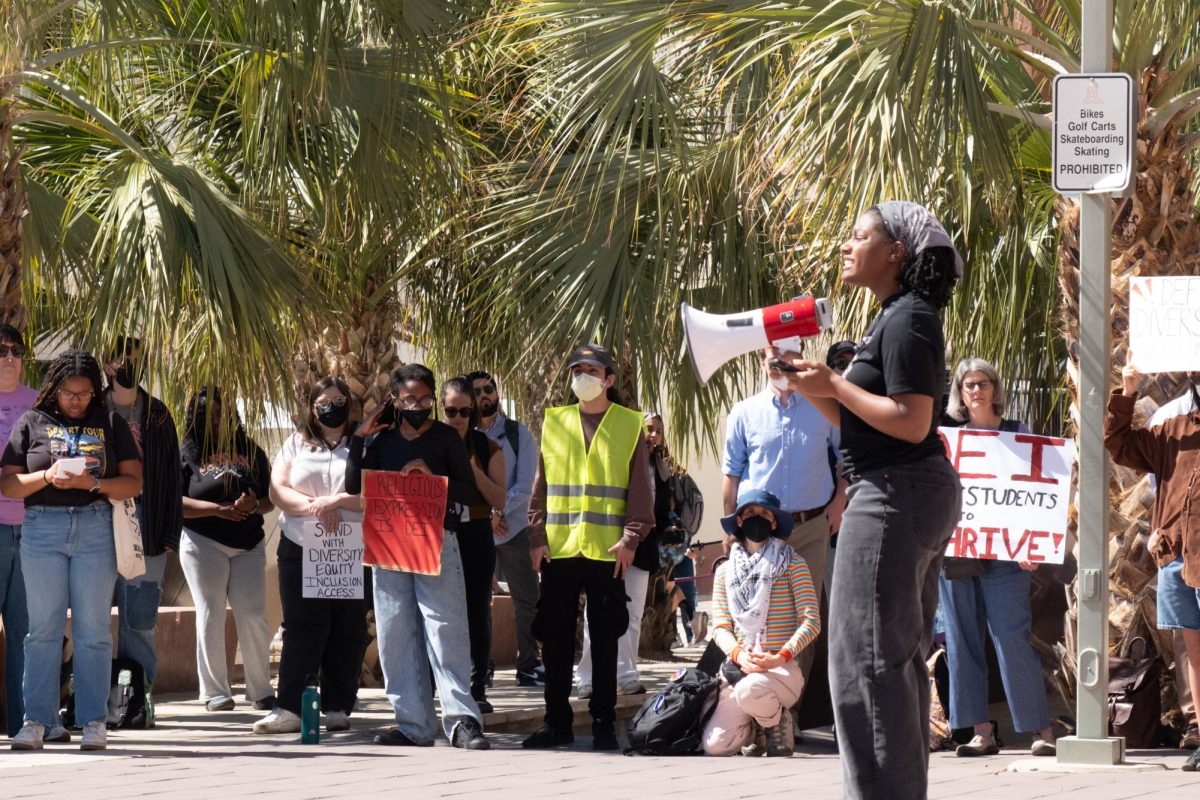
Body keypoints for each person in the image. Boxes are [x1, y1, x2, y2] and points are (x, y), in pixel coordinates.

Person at [786, 201, 963, 799]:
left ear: (895, 254)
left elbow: (912, 422)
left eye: (859, 236)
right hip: (900, 491)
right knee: (891, 659)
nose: (846, 245)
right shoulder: (898, 316)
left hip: (892, 495)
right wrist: (808, 385)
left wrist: (832, 381)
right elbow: (859, 422)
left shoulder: (909, 317)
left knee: (864, 660)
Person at [2, 349, 142, 751]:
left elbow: (133, 482)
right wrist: (46, 474)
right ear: (54, 388)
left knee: (93, 629)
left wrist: (92, 485)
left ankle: (93, 721)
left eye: (83, 393)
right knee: (41, 630)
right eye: (68, 392)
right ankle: (36, 721)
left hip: (96, 527)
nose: (76, 400)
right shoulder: (33, 422)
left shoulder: (110, 422)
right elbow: (8, 485)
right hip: (41, 528)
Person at [346, 364, 490, 750]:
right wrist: (359, 439)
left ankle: (462, 721)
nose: (418, 405)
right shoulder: (381, 441)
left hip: (435, 541)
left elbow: (469, 493)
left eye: (426, 399)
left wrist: (432, 479)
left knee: (445, 629)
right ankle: (412, 723)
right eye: (409, 399)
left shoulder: (445, 438)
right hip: (389, 545)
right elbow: (352, 485)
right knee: (395, 632)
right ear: (394, 400)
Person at [521, 343, 654, 751]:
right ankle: (555, 723)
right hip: (559, 550)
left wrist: (631, 539)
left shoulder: (630, 424)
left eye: (592, 371)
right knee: (556, 639)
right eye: (577, 369)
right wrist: (536, 537)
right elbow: (540, 486)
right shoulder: (555, 421)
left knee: (606, 638)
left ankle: (601, 724)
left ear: (609, 379)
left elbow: (639, 492)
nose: (583, 377)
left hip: (608, 550)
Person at [939, 357, 1055, 757]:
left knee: (1011, 638)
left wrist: (1033, 544)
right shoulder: (947, 441)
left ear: (995, 388)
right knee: (962, 642)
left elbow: (1036, 495)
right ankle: (981, 732)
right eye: (968, 384)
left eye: (983, 382)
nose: (976, 390)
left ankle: (1040, 730)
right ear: (959, 392)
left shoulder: (1017, 433)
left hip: (1007, 558)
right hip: (956, 554)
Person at [722, 346, 844, 702]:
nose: (784, 367)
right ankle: (759, 707)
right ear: (763, 361)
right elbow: (731, 474)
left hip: (810, 526)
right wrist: (731, 529)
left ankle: (789, 710)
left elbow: (845, 460)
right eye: (776, 360)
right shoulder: (744, 412)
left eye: (791, 360)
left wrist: (838, 504)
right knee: (754, 618)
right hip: (758, 530)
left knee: (805, 618)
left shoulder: (823, 408)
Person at [254, 377, 370, 735]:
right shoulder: (295, 444)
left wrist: (337, 502)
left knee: (347, 627)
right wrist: (316, 507)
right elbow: (277, 489)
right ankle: (287, 706)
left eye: (338, 401)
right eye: (323, 402)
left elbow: (376, 494)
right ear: (311, 408)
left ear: (349, 405)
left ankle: (337, 705)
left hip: (351, 548)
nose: (331, 407)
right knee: (302, 626)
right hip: (300, 544)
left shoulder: (365, 444)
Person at [1105, 359, 1200, 773]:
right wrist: (1127, 392)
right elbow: (1120, 445)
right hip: (1177, 553)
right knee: (1193, 646)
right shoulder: (1172, 421)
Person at [702, 490, 820, 757]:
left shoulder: (793, 564)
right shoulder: (724, 571)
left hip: (781, 671)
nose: (758, 519)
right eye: (750, 514)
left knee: (750, 689)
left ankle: (777, 721)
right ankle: (759, 725)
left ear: (775, 522)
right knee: (716, 745)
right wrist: (739, 656)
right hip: (740, 668)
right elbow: (720, 627)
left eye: (765, 514)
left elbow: (811, 621)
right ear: (740, 522)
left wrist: (780, 657)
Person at [178, 387, 275, 713]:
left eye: (226, 413)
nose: (221, 420)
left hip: (248, 542)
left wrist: (251, 505)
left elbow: (269, 498)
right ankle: (215, 692)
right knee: (211, 612)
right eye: (213, 415)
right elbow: (175, 503)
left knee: (252, 613)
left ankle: (261, 690)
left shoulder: (250, 449)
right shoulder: (188, 452)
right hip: (203, 541)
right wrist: (216, 510)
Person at [103, 336, 183, 718]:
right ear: (107, 365)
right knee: (94, 621)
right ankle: (94, 702)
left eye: (136, 359)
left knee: (140, 621)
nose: (129, 365)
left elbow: (171, 479)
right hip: (96, 532)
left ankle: (137, 703)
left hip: (147, 534)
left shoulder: (158, 414)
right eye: (122, 359)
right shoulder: (92, 409)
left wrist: (170, 533)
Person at [576, 411, 670, 698]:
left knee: (632, 614)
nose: (651, 435)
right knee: (597, 612)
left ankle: (627, 675)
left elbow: (661, 513)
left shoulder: (663, 469)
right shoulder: (615, 457)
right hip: (608, 544)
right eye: (646, 429)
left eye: (656, 430)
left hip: (642, 550)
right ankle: (588, 678)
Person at [467, 370, 544, 687]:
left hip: (513, 529)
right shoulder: (460, 435)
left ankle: (528, 665)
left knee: (528, 599)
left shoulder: (518, 434)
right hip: (473, 531)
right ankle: (480, 668)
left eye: (490, 389)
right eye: (478, 391)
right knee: (476, 601)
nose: (485, 395)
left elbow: (525, 487)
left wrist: (497, 512)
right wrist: (484, 516)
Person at [441, 376, 506, 714]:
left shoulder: (486, 447)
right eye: (451, 411)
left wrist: (471, 471)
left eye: (465, 412)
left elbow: (499, 497)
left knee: (477, 611)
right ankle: (443, 684)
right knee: (441, 611)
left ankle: (477, 687)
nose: (458, 419)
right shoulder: (431, 442)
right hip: (439, 533)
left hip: (476, 532)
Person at [0, 325, 35, 738]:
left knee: (28, 631)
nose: (9, 357)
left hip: (34, 530)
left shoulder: (37, 404)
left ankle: (26, 723)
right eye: (2, 350)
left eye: (16, 350)